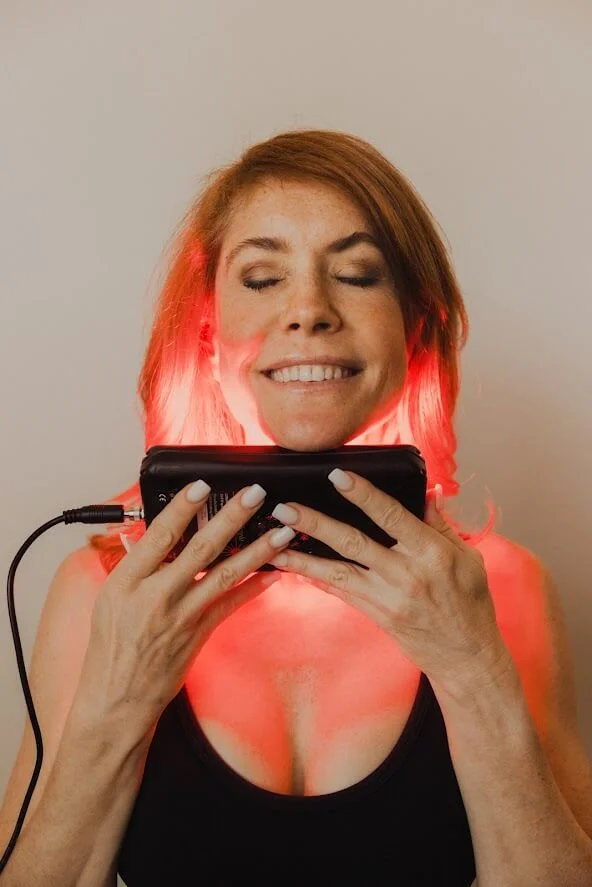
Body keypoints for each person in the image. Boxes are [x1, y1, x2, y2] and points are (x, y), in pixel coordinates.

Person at [1, 129, 591, 887]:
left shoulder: (503, 589)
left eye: (356, 274)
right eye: (262, 278)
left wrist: (474, 671)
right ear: (209, 334)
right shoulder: (103, 596)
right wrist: (115, 710)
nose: (309, 310)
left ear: (415, 328)